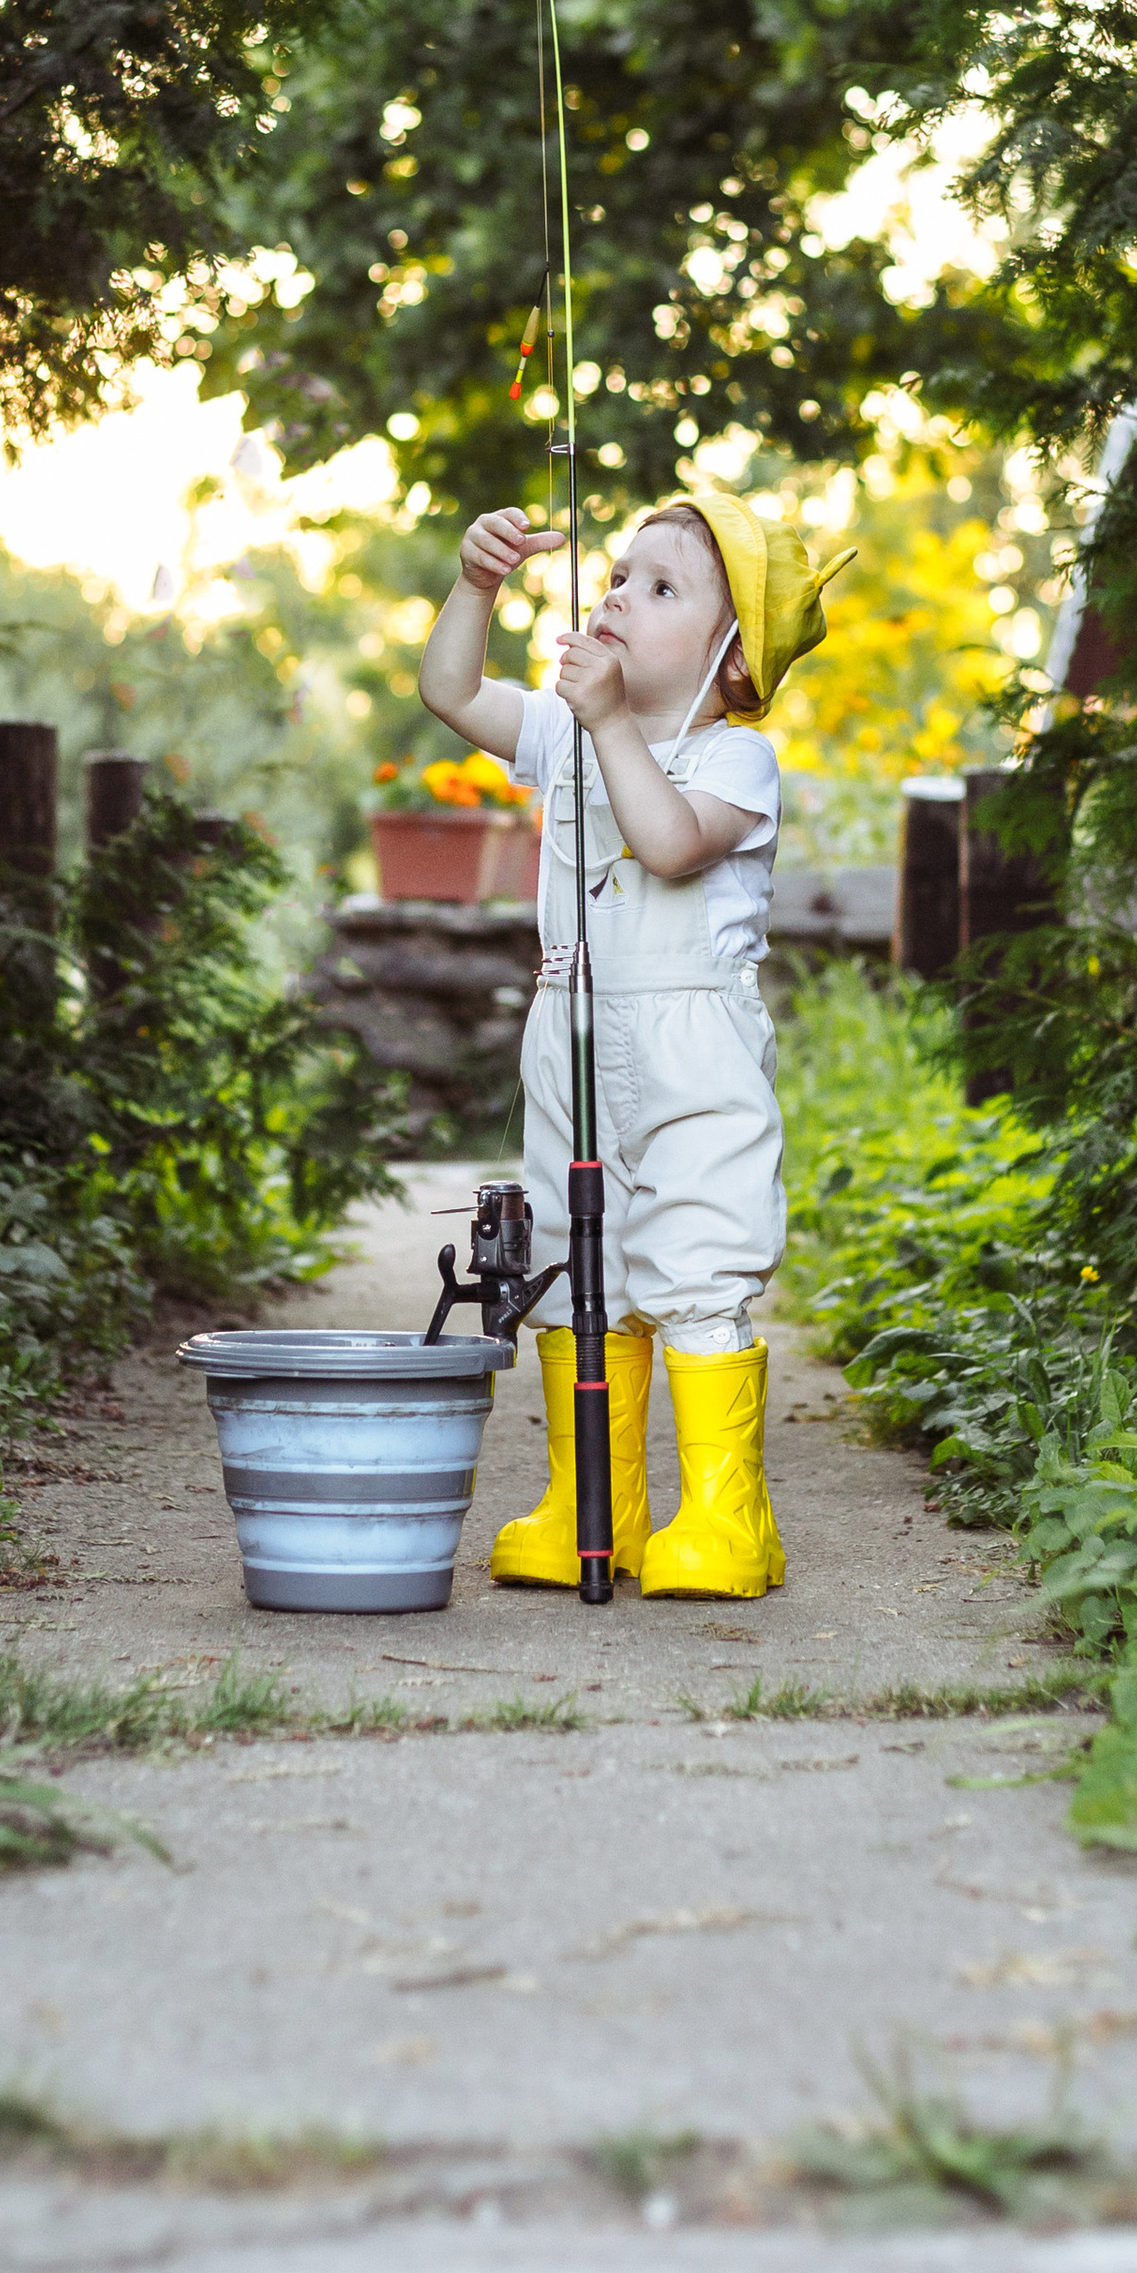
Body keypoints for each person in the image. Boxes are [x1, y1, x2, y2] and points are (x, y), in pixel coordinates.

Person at [415, 483, 852, 1598]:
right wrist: (476, 581)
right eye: (617, 575)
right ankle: (588, 1506)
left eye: (661, 589)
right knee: (570, 1258)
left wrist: (610, 722)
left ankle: (725, 1514)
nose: (615, 597)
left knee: (694, 1256)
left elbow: (664, 845)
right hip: (569, 1032)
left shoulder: (731, 765)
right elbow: (449, 691)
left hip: (688, 1048)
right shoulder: (562, 731)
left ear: (735, 662)